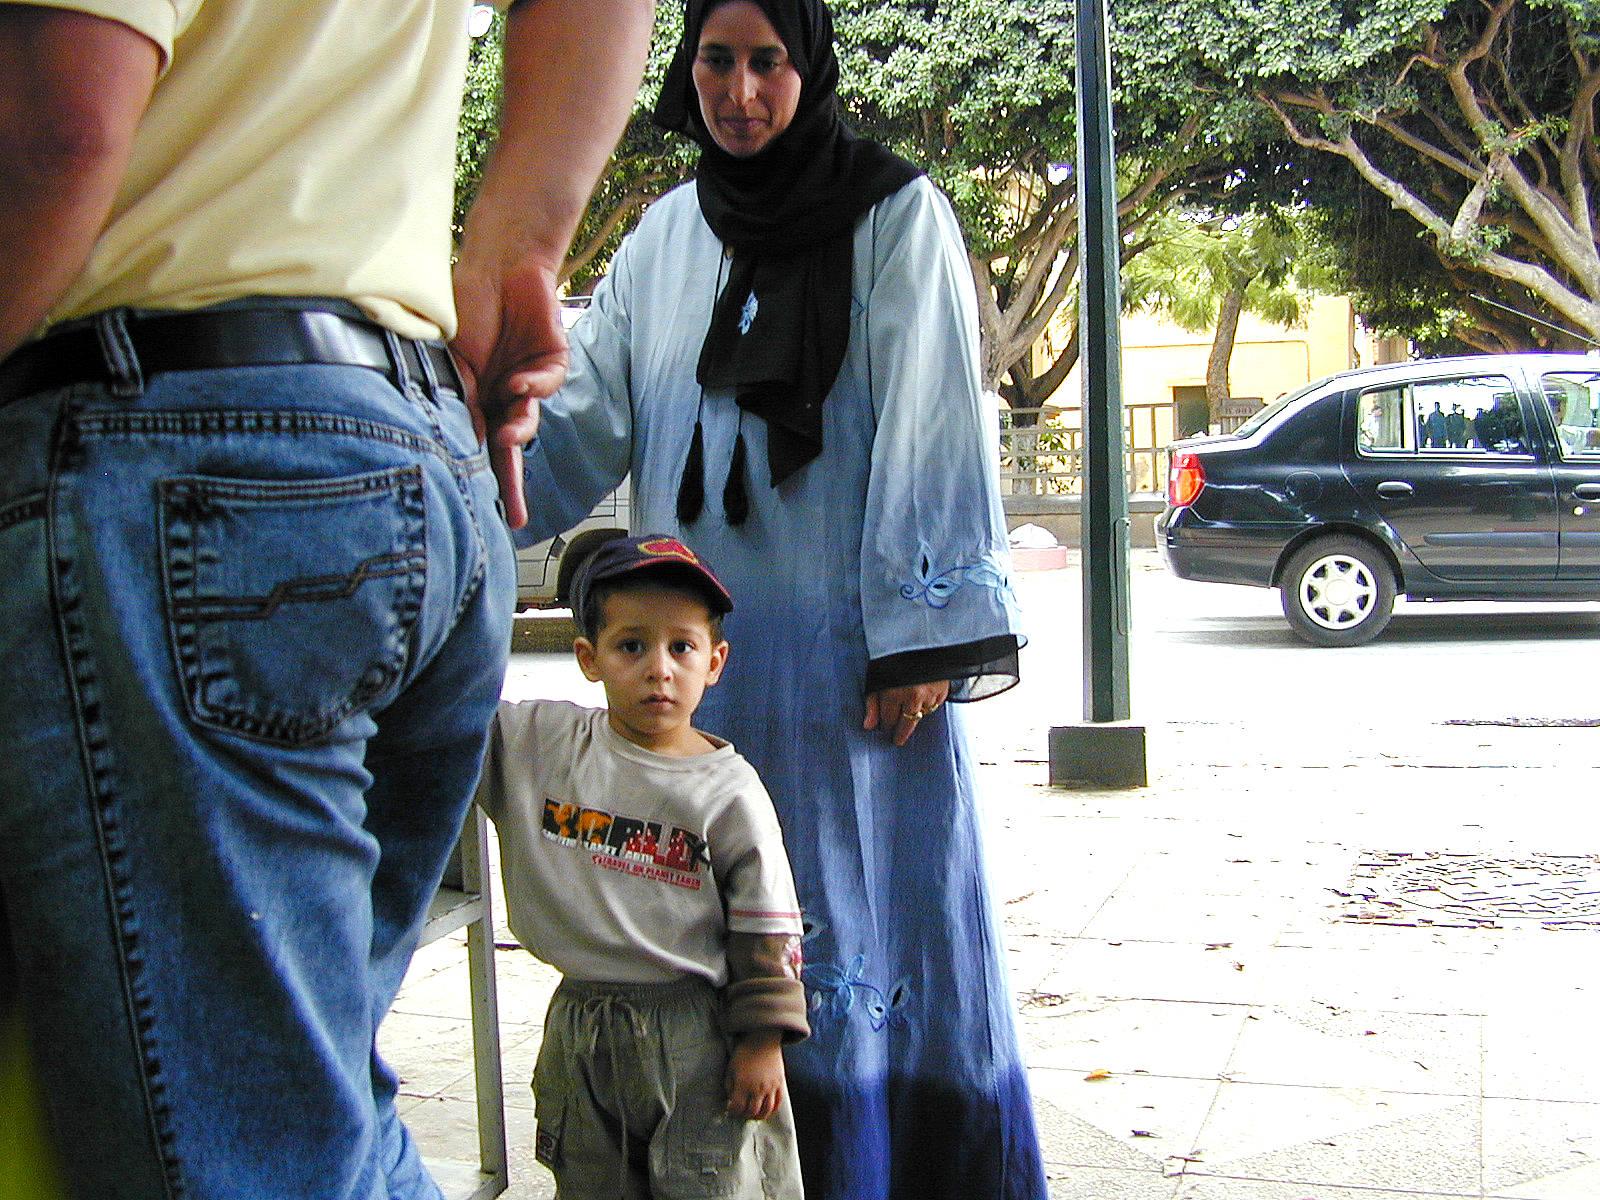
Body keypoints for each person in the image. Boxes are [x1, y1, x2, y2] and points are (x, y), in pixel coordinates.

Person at [0, 2, 652, 1197]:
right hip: (403, 453)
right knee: (302, 1116)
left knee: (252, 1148)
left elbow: (62, 129)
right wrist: (520, 246)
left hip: (188, 473)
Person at [516, 2, 1047, 1196]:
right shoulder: (659, 241)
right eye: (715, 60)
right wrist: (466, 484)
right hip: (690, 670)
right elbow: (584, 420)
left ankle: (879, 1168)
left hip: (850, 668)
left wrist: (921, 634)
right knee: (707, 922)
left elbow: (933, 422)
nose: (739, 92)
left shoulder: (894, 216)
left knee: (857, 911)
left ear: (809, 69)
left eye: (766, 64)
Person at [478, 532, 809, 1199]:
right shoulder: (540, 746)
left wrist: (761, 1043)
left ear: (714, 662)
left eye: (681, 647)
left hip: (694, 1035)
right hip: (580, 1024)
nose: (659, 668)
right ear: (588, 657)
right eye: (632, 645)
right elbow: (447, 721)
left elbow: (768, 931)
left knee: (710, 1182)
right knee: (591, 1182)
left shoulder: (727, 791)